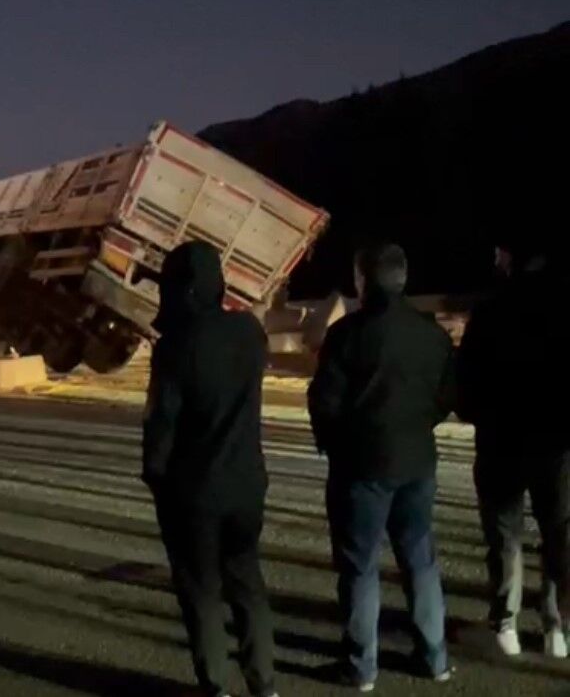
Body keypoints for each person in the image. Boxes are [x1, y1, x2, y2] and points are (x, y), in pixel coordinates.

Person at [308, 243, 455, 691]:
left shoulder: (348, 335)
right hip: (417, 463)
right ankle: (435, 657)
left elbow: (325, 402)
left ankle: (361, 665)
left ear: (362, 281)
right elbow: (446, 398)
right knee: (420, 561)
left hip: (362, 468)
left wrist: (334, 446)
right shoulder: (432, 335)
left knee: (360, 566)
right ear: (403, 278)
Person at [142, 240, 277, 697]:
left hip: (193, 492)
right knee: (247, 584)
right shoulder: (249, 333)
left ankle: (216, 686)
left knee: (201, 591)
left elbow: (162, 426)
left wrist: (155, 478)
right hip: (246, 484)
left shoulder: (173, 348)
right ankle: (264, 684)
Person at [457, 240, 569, 658]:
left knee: (506, 535)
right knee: (557, 533)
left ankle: (506, 625)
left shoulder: (489, 313)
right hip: (557, 444)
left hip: (501, 441)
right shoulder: (564, 309)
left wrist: (478, 414)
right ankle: (557, 627)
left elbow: (464, 384)